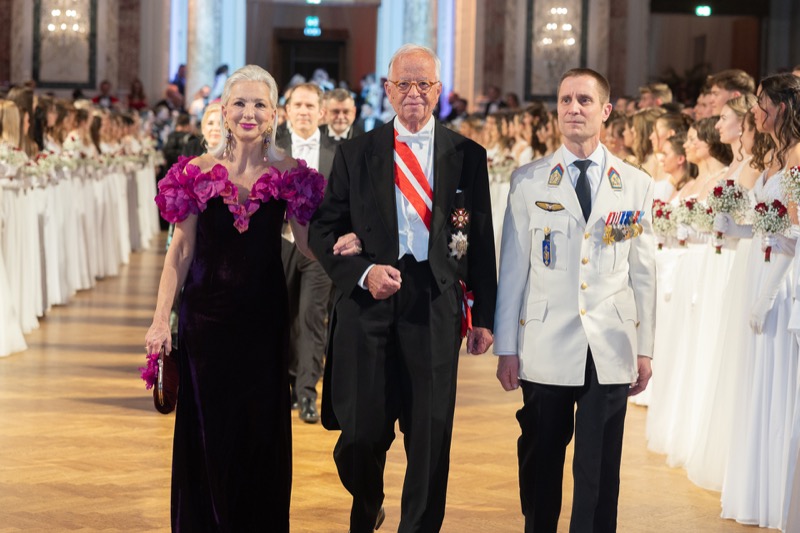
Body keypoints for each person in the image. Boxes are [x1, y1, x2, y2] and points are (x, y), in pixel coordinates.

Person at [308, 43, 497, 532]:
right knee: (359, 434)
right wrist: (363, 272)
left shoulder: (467, 156)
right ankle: (368, 500)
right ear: (387, 90)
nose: (414, 93)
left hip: (434, 301)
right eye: (404, 83)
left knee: (430, 436)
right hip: (369, 300)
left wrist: (485, 317)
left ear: (439, 90)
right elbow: (323, 230)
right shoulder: (356, 152)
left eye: (424, 84)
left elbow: (480, 238)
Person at [143, 64, 330, 531]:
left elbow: (308, 245)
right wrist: (160, 320)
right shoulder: (195, 173)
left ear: (274, 114)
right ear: (224, 112)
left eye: (259, 104)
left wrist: (351, 253)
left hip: (264, 322)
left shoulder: (290, 174)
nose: (249, 112)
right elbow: (179, 251)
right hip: (205, 323)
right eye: (240, 103)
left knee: (259, 431)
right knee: (209, 430)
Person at [494, 68, 656, 533]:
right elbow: (513, 270)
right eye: (565, 100)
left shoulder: (634, 183)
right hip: (546, 340)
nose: (573, 109)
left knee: (599, 467)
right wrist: (507, 347)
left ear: (606, 111)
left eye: (584, 100)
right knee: (541, 456)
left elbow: (643, 273)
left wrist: (645, 348)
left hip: (610, 343)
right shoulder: (529, 181)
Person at [275, 82, 337, 424]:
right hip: (280, 245)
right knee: (281, 317)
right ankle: (284, 388)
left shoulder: (337, 153)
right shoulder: (272, 150)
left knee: (313, 318)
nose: (303, 111)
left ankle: (307, 393)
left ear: (321, 112)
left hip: (319, 250)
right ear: (286, 112)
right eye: (297, 105)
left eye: (310, 106)